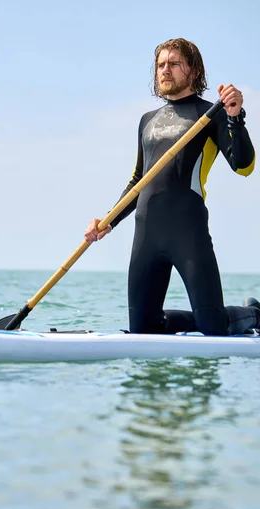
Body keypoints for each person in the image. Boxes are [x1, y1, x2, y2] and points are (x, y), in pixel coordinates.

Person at [84, 38, 257, 335]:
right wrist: (108, 220)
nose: (165, 70)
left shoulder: (211, 115)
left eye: (174, 64)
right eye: (161, 65)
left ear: (193, 71)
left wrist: (235, 118)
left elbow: (243, 166)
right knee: (142, 329)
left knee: (214, 330)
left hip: (187, 231)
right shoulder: (147, 121)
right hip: (147, 233)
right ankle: (201, 318)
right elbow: (139, 179)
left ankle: (253, 314)